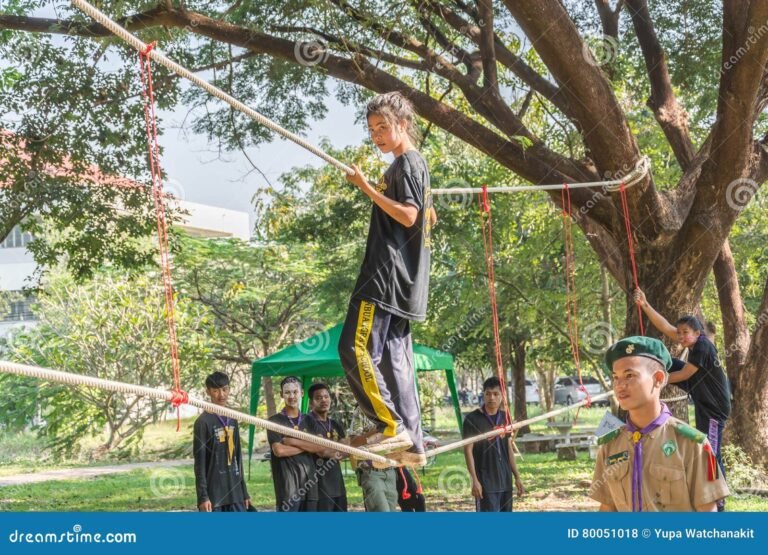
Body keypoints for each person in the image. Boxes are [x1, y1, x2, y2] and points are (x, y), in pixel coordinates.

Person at [338, 91, 436, 467]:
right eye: (372, 129)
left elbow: (410, 216)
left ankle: (390, 425)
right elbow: (422, 214)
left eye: (383, 127)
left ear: (403, 125)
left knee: (354, 348)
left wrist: (366, 189)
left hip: (383, 278)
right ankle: (413, 444)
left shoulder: (407, 164)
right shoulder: (411, 167)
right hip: (403, 284)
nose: (377, 135)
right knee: (395, 363)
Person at [590, 336, 730, 511]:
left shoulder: (693, 444)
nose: (619, 385)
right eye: (616, 377)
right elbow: (607, 508)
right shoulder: (610, 445)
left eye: (630, 375)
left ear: (658, 378)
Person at [633, 288, 731, 508]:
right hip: (699, 392)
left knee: (711, 451)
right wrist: (645, 305)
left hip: (713, 408)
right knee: (665, 362)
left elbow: (685, 373)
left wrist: (656, 380)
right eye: (680, 333)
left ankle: (719, 499)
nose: (680, 336)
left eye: (685, 332)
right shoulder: (693, 342)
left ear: (698, 332)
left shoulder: (703, 346)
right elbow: (667, 327)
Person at [267, 376, 337, 512]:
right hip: (287, 489)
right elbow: (279, 451)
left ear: (302, 393)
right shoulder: (274, 420)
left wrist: (292, 441)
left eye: (295, 392)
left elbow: (320, 447)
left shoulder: (309, 420)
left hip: (310, 486)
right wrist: (307, 446)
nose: (292, 396)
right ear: (281, 394)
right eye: (287, 392)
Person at [462, 377, 525, 512]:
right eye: (488, 393)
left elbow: (508, 447)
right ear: (483, 395)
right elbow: (468, 451)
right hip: (486, 483)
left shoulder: (505, 417)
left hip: (505, 481)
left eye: (496, 394)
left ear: (502, 396)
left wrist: (517, 477)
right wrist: (475, 480)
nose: (492, 398)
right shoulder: (472, 419)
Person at [193, 372, 251, 512]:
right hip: (215, 495)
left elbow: (237, 457)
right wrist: (203, 497)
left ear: (229, 389)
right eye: (216, 390)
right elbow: (199, 463)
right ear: (208, 392)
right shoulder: (203, 422)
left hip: (235, 493)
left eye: (225, 389)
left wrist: (244, 492)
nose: (221, 395)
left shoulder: (233, 418)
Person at [306, 383, 348, 512]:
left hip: (338, 486)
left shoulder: (335, 424)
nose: (323, 400)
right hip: (319, 488)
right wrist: (339, 451)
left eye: (326, 396)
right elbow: (321, 451)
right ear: (311, 403)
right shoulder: (307, 422)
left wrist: (337, 451)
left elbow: (347, 450)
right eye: (318, 398)